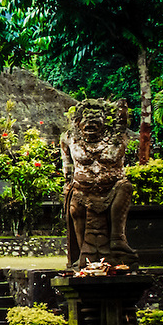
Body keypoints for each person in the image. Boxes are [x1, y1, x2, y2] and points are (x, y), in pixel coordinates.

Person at [60, 99, 136, 269]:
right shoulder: (70, 138)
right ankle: (82, 257)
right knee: (75, 205)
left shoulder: (116, 138)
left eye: (96, 120)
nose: (90, 124)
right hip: (82, 192)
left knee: (125, 187)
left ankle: (117, 238)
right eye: (86, 120)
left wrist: (120, 109)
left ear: (106, 122)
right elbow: (67, 166)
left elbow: (122, 120)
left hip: (111, 190)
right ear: (78, 122)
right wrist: (69, 181)